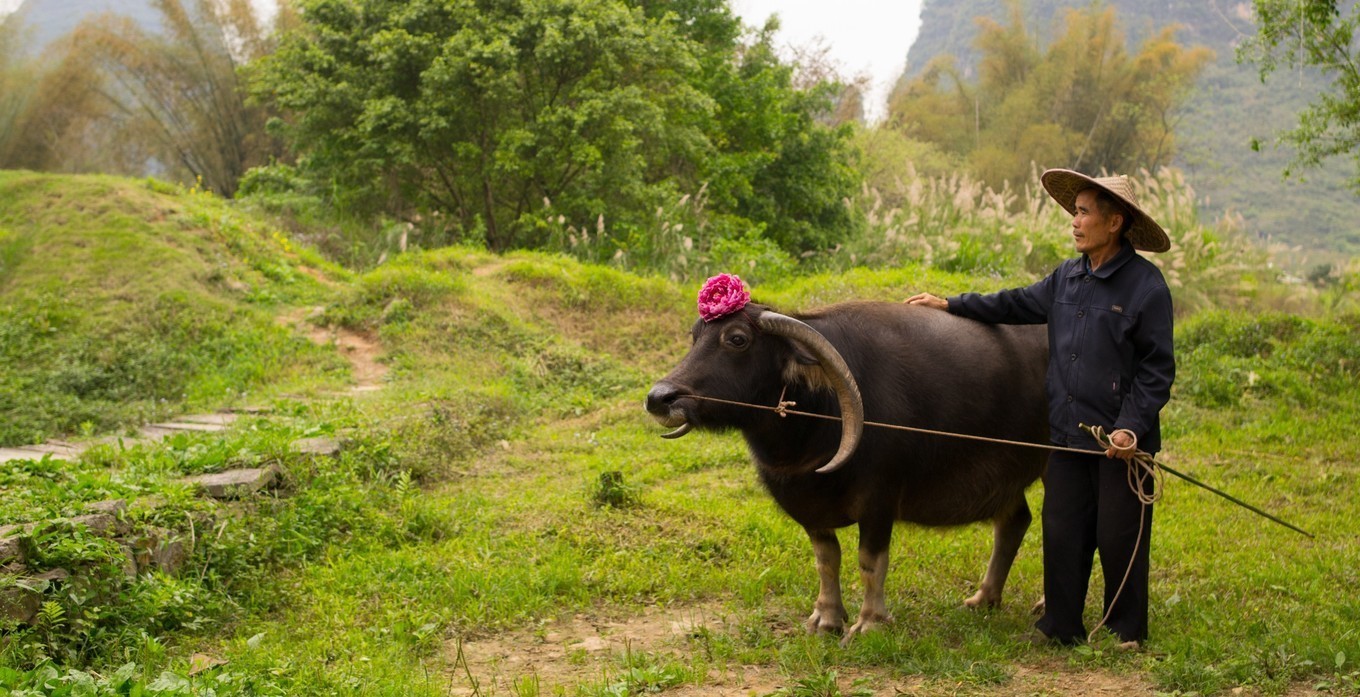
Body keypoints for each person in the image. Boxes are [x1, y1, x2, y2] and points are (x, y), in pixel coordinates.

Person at [906, 168, 1175, 649]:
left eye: (1084, 212)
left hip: (1120, 444)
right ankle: (1061, 625)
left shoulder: (1145, 287)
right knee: (1063, 531)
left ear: (1114, 222)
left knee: (1119, 538)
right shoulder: (1067, 277)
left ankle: (1125, 629)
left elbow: (1157, 369)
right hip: (1068, 434)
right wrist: (949, 304)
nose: (1074, 221)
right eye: (1075, 212)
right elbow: (1011, 304)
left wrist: (1131, 428)